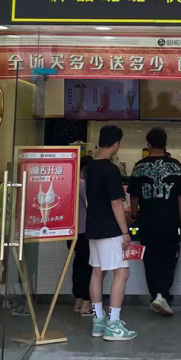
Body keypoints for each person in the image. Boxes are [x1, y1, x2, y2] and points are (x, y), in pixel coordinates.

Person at [85, 125, 137, 341]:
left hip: (93, 228)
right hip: (110, 229)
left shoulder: (90, 168)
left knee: (97, 272)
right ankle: (113, 325)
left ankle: (98, 321)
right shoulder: (111, 169)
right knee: (122, 273)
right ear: (116, 144)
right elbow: (116, 202)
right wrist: (125, 232)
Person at [128, 127, 181, 316]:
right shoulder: (175, 165)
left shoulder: (140, 166)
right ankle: (163, 294)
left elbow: (134, 195)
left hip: (147, 221)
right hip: (170, 220)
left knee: (150, 258)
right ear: (165, 144)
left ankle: (156, 295)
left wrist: (134, 214)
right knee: (169, 257)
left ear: (148, 144)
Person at [71, 154, 94, 315]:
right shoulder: (82, 184)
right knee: (88, 267)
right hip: (85, 230)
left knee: (78, 265)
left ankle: (78, 301)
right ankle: (86, 303)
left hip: (74, 231)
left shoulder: (71, 182)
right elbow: (91, 204)